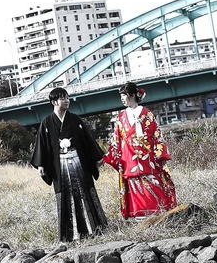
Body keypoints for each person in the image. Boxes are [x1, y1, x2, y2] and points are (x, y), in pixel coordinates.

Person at [30, 87, 109, 242]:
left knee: (85, 191)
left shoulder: (76, 120)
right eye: (63, 98)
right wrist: (41, 165)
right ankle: (71, 234)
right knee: (65, 195)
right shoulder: (46, 123)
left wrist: (96, 157)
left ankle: (95, 228)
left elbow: (87, 140)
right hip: (60, 166)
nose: (67, 100)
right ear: (54, 101)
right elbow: (43, 147)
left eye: (68, 97)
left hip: (79, 162)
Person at [103, 82, 178, 219]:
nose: (122, 98)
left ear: (132, 95)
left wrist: (159, 154)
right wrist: (109, 156)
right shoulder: (120, 116)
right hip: (129, 156)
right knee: (133, 183)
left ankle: (158, 212)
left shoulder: (147, 113)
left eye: (124, 95)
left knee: (153, 180)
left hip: (147, 155)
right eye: (121, 96)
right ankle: (139, 214)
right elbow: (116, 139)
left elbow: (156, 135)